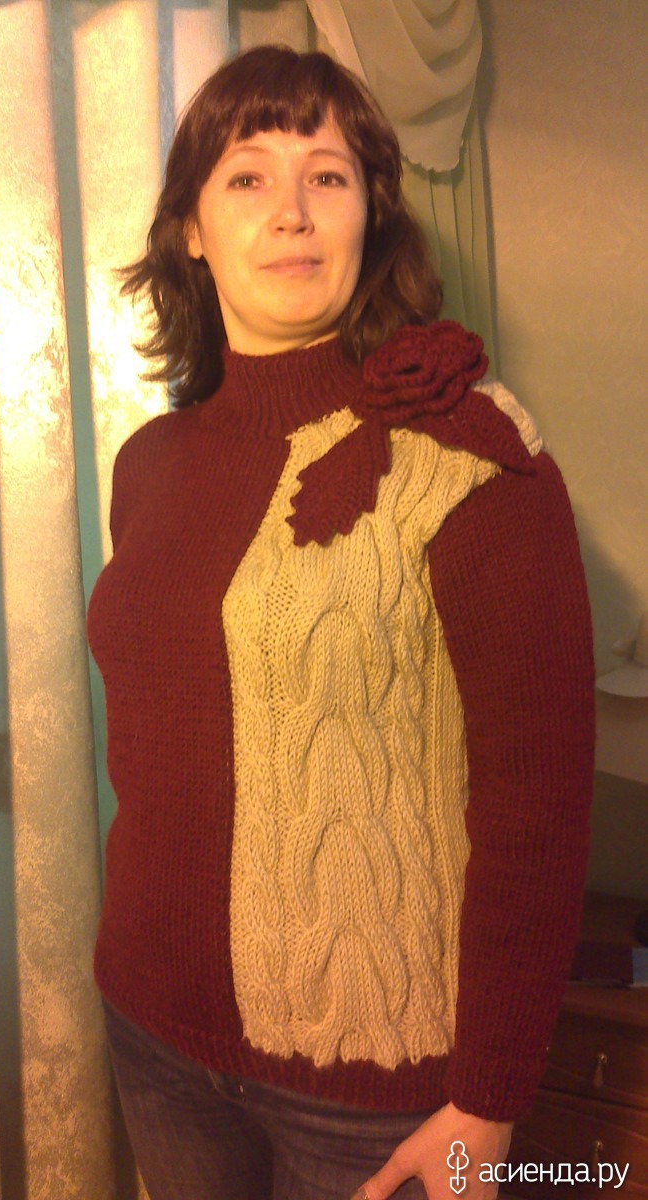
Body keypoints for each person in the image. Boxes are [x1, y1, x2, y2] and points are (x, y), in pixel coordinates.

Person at [86, 44, 595, 1200]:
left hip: (374, 1084)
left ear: (372, 214)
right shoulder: (149, 463)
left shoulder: (467, 449)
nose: (292, 210)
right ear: (193, 231)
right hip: (151, 1029)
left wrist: (491, 1097)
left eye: (327, 175)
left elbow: (537, 790)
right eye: (247, 176)